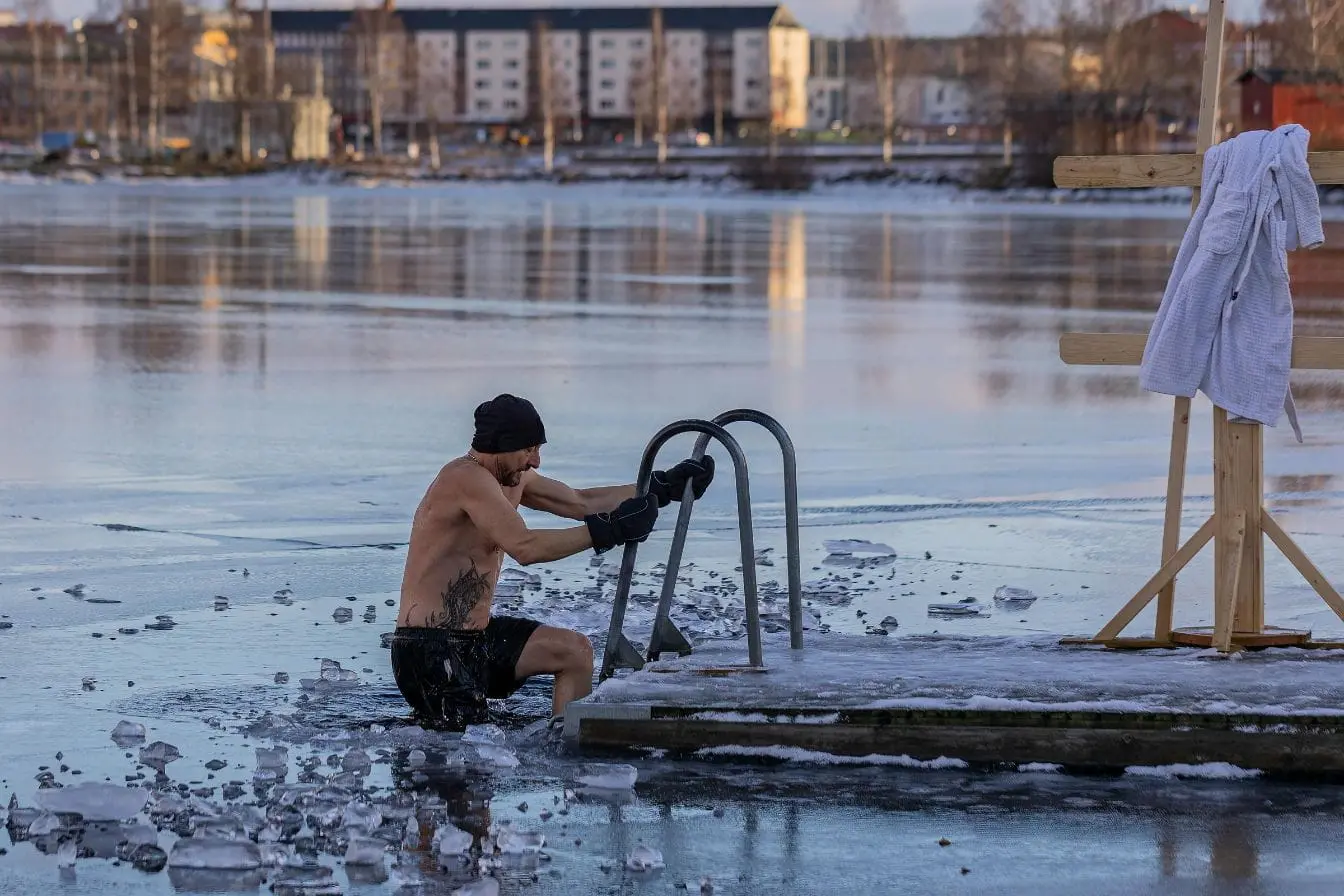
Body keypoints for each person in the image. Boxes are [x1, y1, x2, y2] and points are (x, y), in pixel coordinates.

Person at [391, 393, 715, 730]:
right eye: (529, 449)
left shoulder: (513, 479)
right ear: (502, 444)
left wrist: (661, 487)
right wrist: (609, 531)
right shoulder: (464, 478)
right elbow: (525, 546)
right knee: (473, 752)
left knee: (573, 652)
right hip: (428, 650)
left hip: (478, 639)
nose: (536, 461)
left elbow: (581, 501)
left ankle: (566, 746)